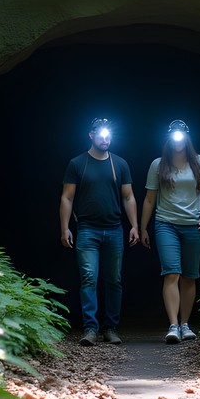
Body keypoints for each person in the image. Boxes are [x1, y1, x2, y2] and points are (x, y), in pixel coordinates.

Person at [60, 117, 139, 346]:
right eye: (101, 134)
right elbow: (67, 197)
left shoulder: (120, 164)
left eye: (109, 134)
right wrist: (64, 227)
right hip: (87, 230)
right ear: (91, 135)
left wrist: (134, 225)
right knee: (89, 278)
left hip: (114, 229)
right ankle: (90, 328)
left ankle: (110, 327)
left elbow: (128, 196)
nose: (106, 138)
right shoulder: (77, 163)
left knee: (114, 280)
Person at [140, 119, 200, 344]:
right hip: (166, 224)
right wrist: (143, 227)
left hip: (194, 224)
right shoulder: (158, 164)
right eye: (173, 136)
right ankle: (173, 325)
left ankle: (185, 324)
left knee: (189, 276)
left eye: (181, 136)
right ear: (168, 138)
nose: (177, 140)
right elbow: (149, 199)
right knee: (171, 272)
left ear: (187, 138)